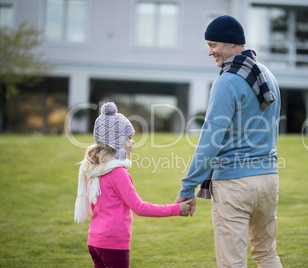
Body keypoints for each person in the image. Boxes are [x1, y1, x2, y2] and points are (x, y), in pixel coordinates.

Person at [175, 15, 282, 267]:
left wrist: (187, 188)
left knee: (231, 262)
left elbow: (210, 141)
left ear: (231, 43)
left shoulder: (226, 81)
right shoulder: (267, 75)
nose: (210, 51)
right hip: (269, 179)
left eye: (213, 45)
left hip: (235, 183)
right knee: (267, 254)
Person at [74, 102, 191, 268]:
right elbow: (139, 208)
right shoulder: (117, 172)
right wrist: (176, 209)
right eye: (128, 138)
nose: (132, 142)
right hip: (113, 244)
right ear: (116, 141)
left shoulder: (95, 169)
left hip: (94, 242)